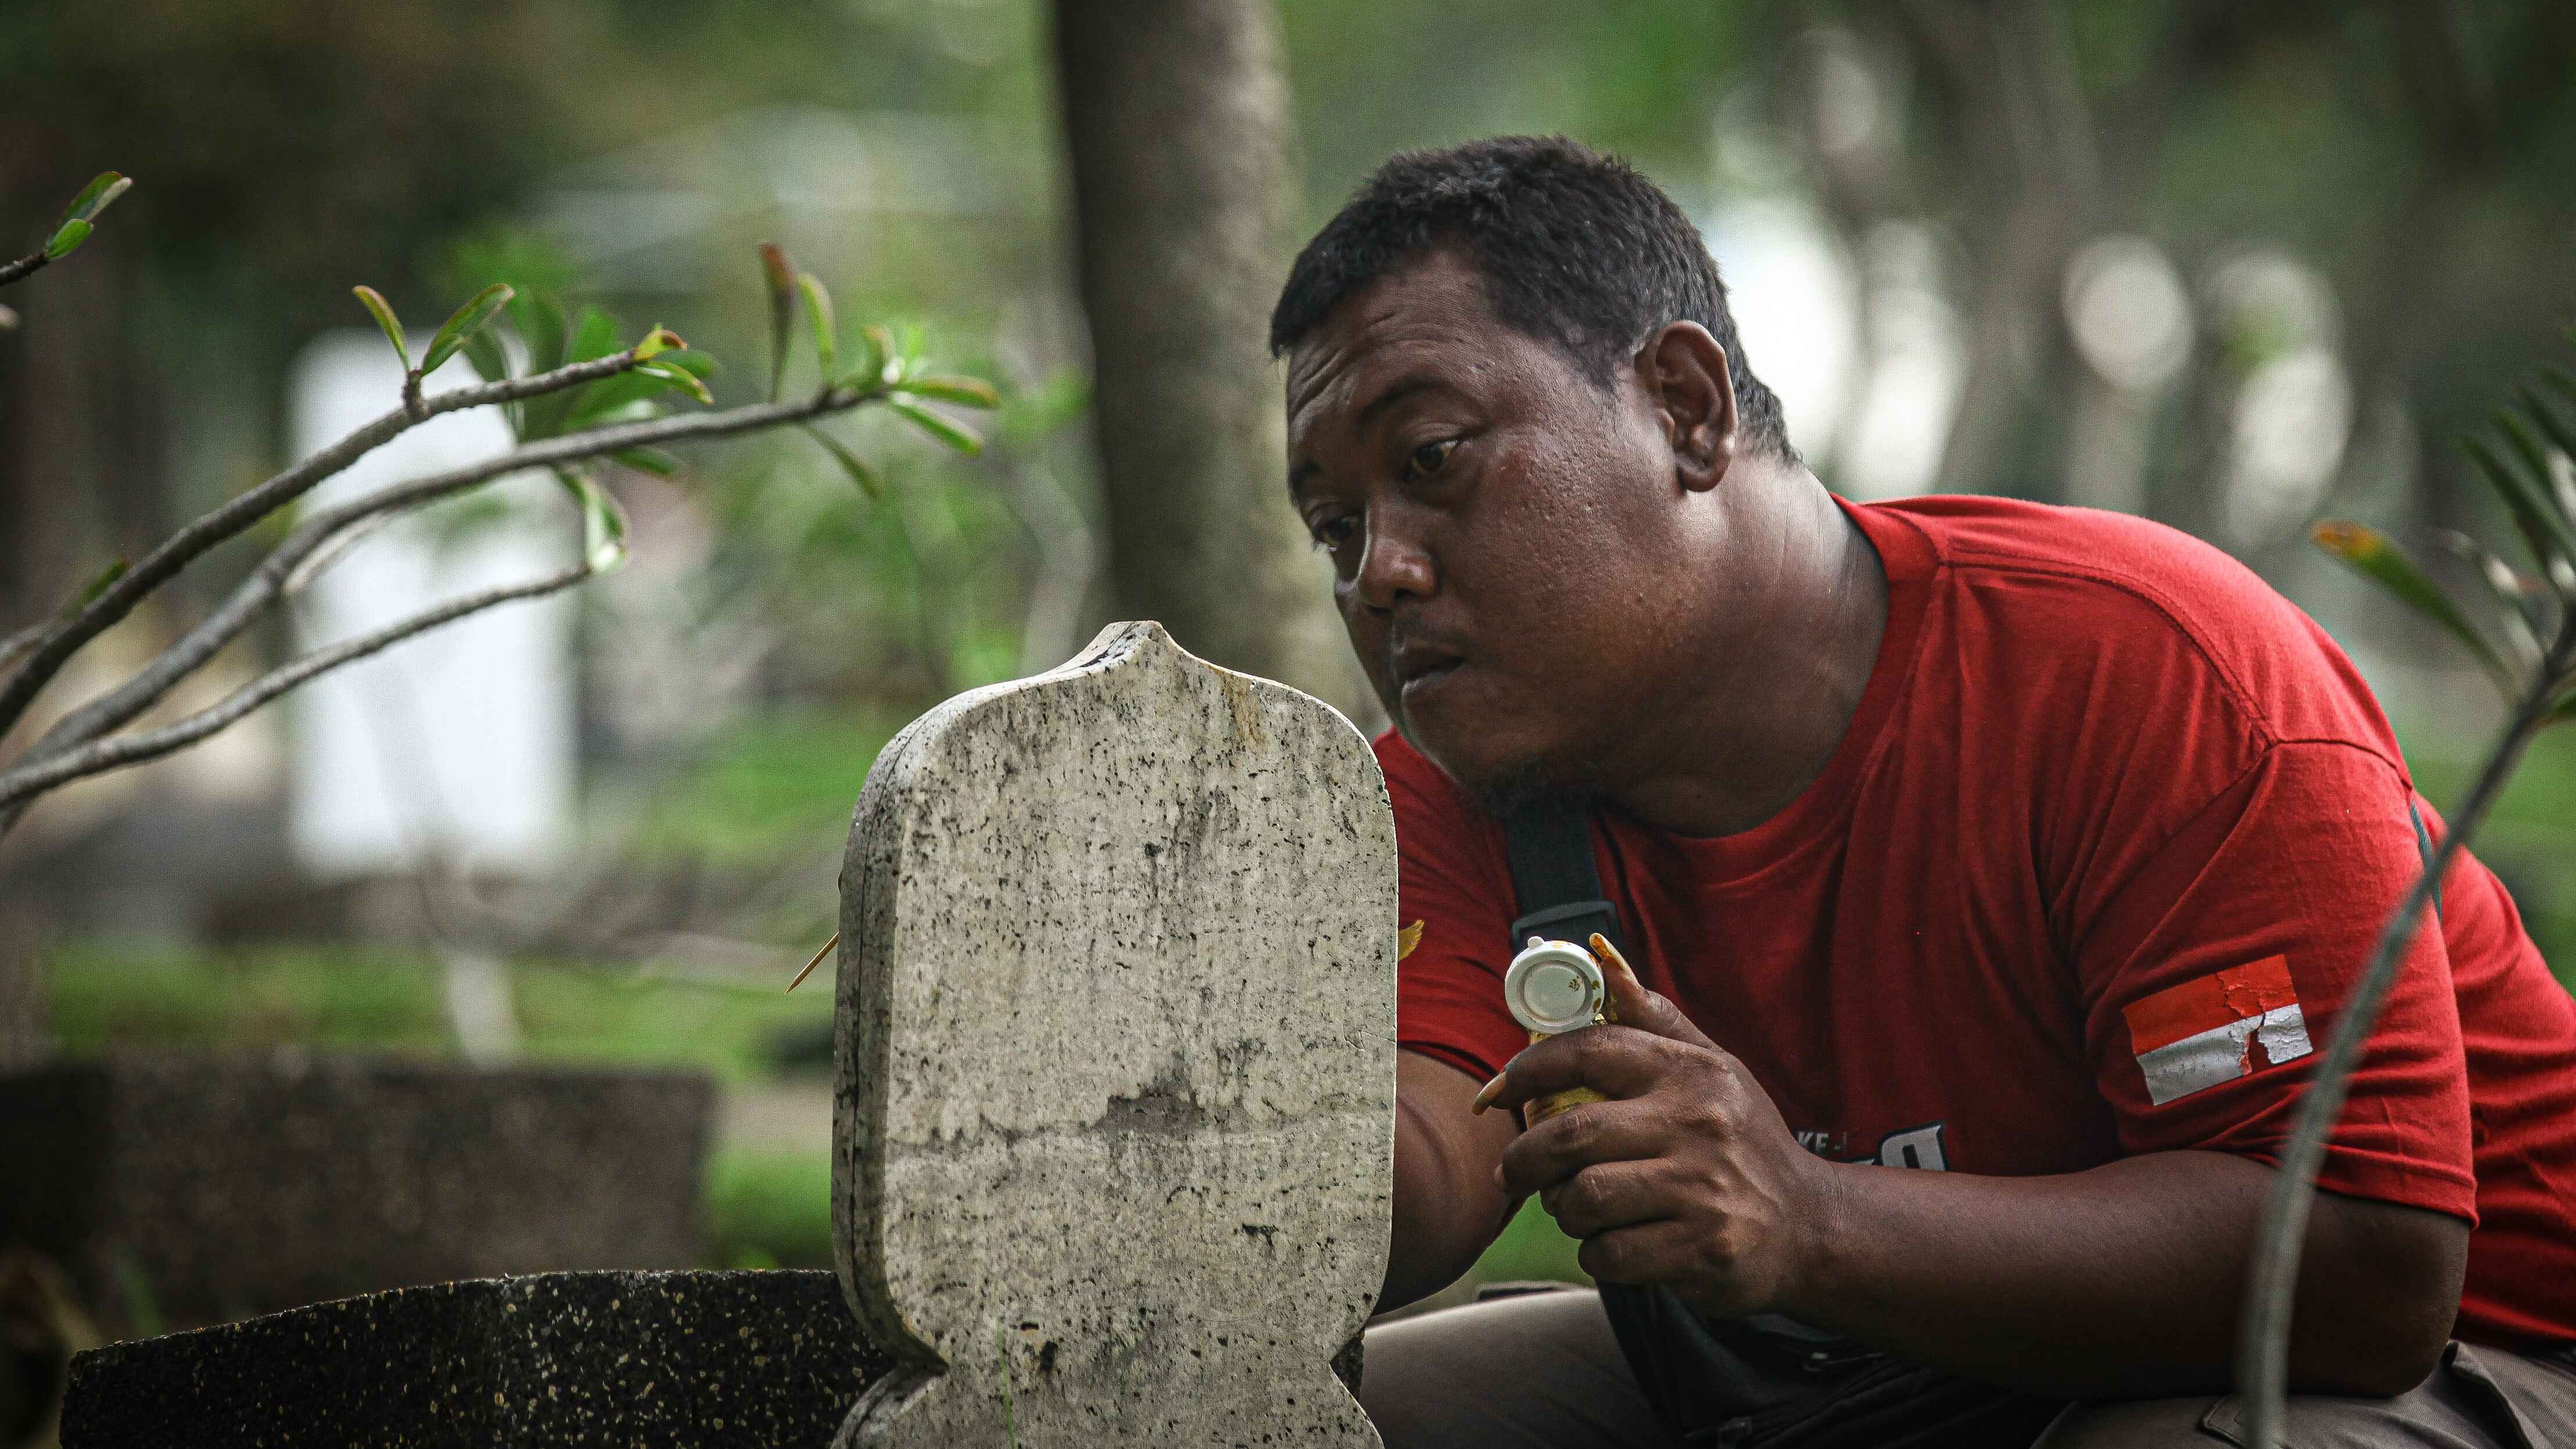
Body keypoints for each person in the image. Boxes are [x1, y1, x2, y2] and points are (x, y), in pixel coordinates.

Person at [1269, 135, 2576, 1448]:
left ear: (1682, 406)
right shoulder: (1474, 776)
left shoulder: (2141, 674)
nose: (1377, 572)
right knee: (1287, 1420)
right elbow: (1428, 1158)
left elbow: (2368, 1273)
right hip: (1882, 1357)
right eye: (1335, 528)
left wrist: (1813, 1216)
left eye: (1432, 457)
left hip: (2476, 1355)